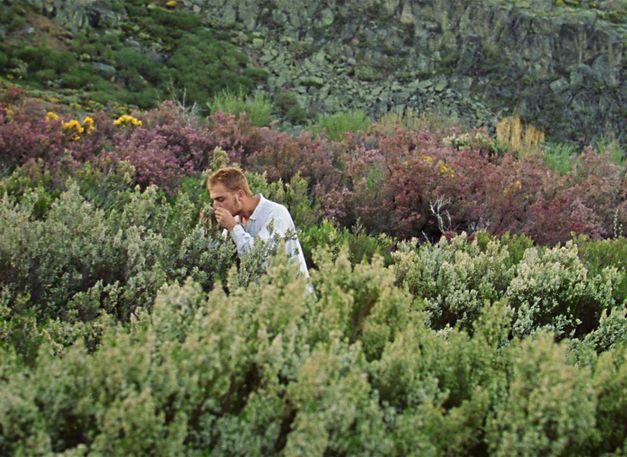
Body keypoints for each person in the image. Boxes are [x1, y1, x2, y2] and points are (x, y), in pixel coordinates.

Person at [206, 167, 310, 279]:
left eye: (220, 199)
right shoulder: (234, 220)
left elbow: (259, 259)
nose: (215, 206)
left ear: (240, 195)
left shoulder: (275, 213)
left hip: (293, 293)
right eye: (213, 200)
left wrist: (233, 228)